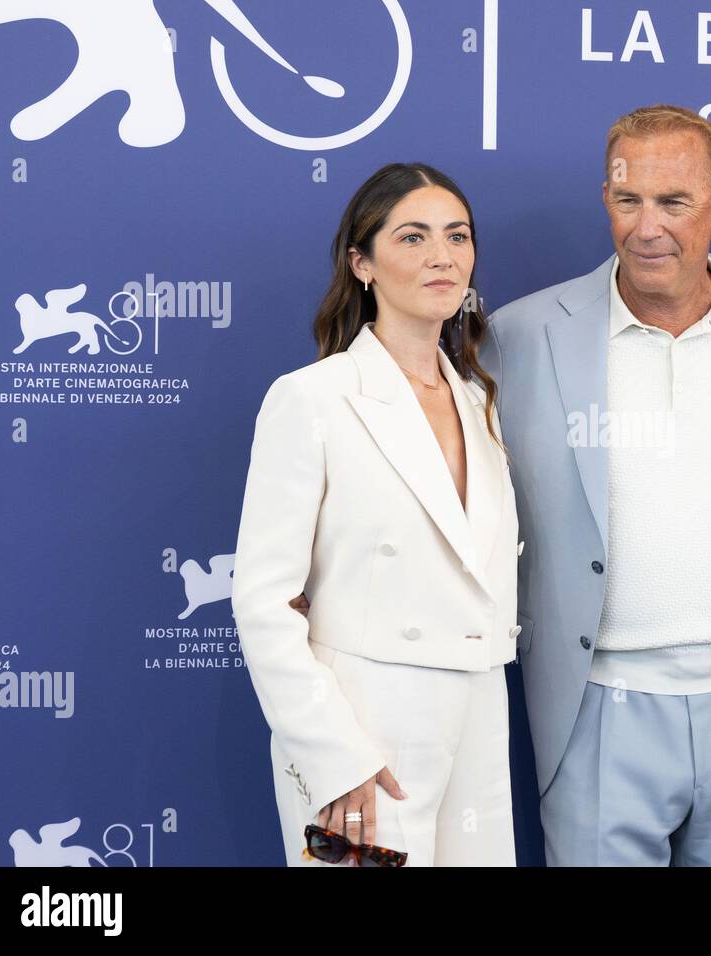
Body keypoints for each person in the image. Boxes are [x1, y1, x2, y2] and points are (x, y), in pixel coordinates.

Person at [480, 105, 711, 865]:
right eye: (627, 200)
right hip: (595, 705)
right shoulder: (521, 333)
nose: (646, 227)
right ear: (606, 198)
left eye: (674, 202)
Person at [231, 163, 519, 867]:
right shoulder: (312, 399)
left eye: (457, 236)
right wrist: (333, 755)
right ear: (362, 263)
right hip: (364, 726)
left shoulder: (482, 403)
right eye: (413, 237)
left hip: (478, 712)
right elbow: (264, 600)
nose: (442, 256)